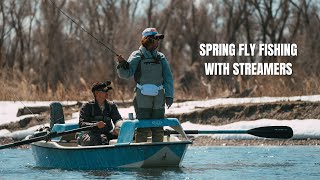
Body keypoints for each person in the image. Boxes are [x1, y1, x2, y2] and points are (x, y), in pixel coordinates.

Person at [117, 28, 174, 143]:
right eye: (156, 38)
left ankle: (157, 154)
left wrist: (169, 96)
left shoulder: (161, 57)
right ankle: (141, 152)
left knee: (158, 128)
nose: (158, 41)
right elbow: (126, 74)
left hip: (158, 98)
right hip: (142, 98)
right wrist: (122, 64)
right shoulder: (137, 55)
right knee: (143, 128)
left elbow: (168, 78)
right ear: (148, 40)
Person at [78, 81, 123, 146]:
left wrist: (118, 128)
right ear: (96, 93)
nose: (107, 93)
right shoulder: (87, 106)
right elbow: (81, 124)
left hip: (107, 134)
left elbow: (118, 120)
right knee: (101, 139)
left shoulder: (111, 106)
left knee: (123, 138)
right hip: (89, 135)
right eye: (104, 91)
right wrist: (95, 125)